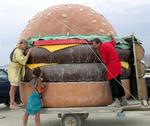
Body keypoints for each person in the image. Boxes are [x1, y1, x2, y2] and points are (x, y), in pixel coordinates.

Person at [91, 35, 128, 107]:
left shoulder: (102, 48)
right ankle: (124, 100)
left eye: (93, 44)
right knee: (118, 82)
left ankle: (116, 101)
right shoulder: (107, 44)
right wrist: (112, 37)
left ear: (98, 43)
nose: (93, 46)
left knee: (113, 83)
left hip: (112, 65)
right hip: (117, 64)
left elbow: (105, 61)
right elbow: (114, 42)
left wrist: (99, 53)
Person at [8, 39, 32, 109]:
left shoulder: (18, 50)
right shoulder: (18, 51)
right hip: (14, 70)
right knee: (13, 87)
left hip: (15, 69)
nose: (26, 46)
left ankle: (13, 102)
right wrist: (28, 53)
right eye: (25, 44)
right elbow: (23, 61)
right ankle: (11, 103)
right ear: (20, 44)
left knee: (14, 86)